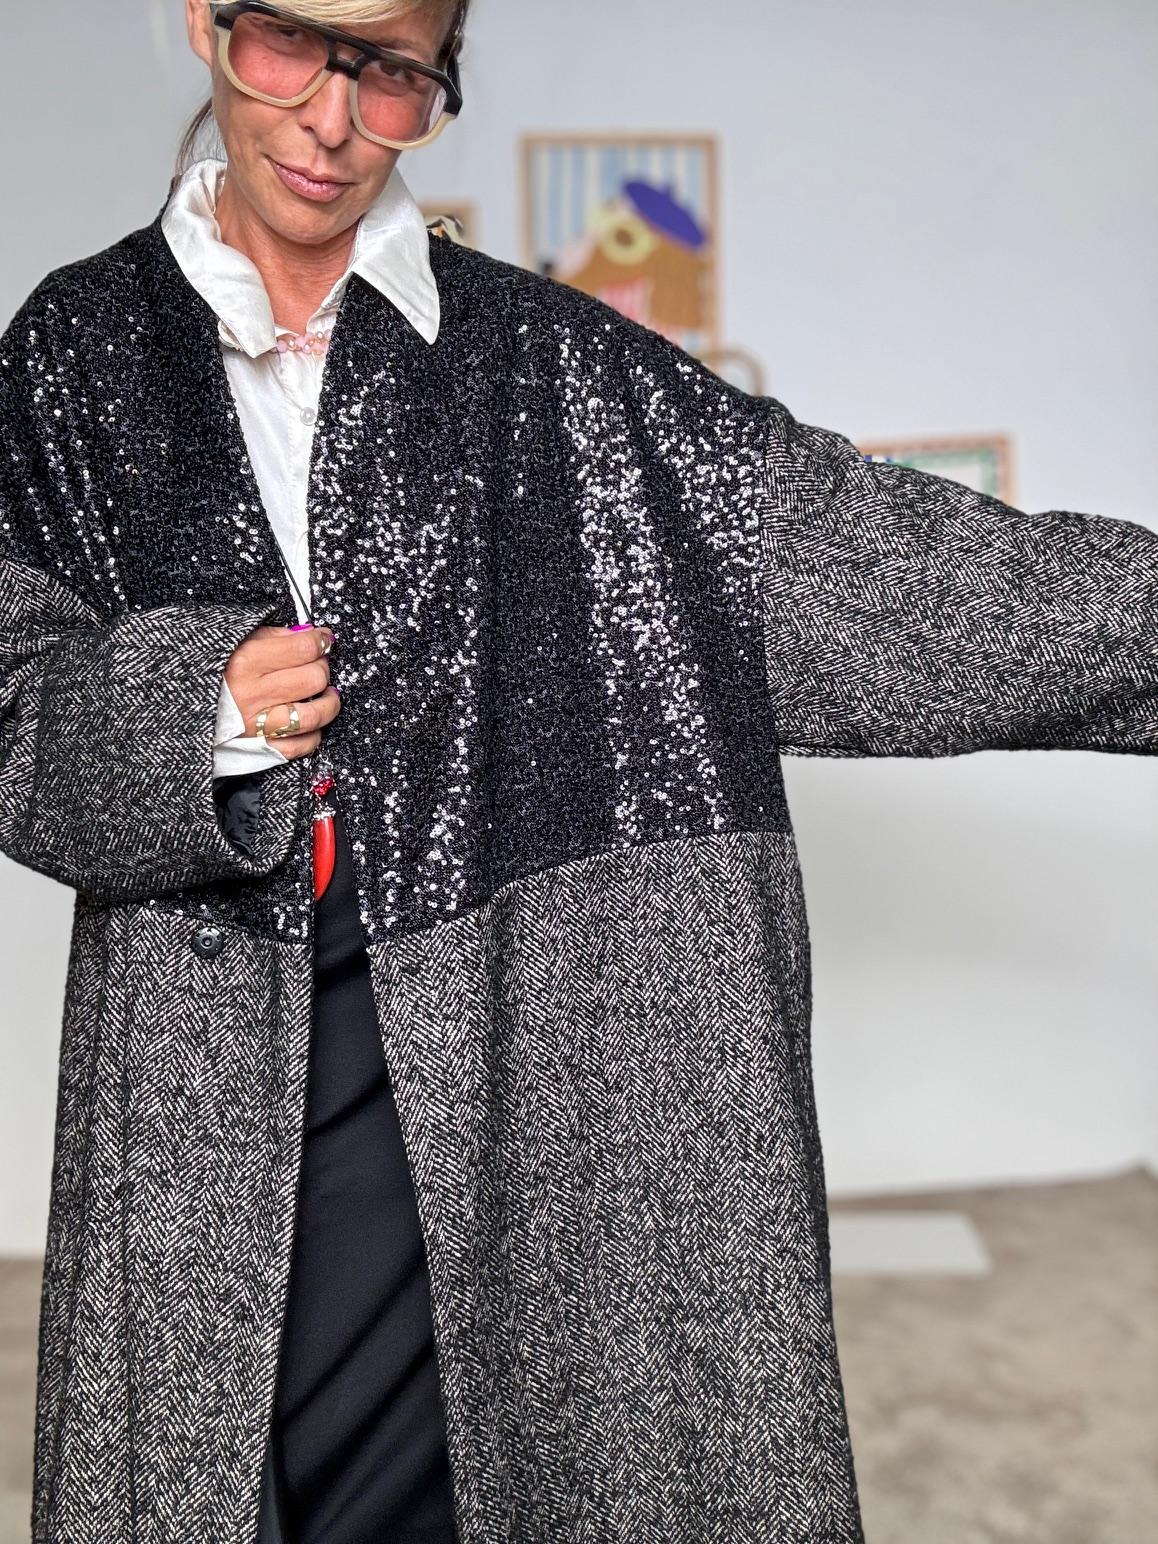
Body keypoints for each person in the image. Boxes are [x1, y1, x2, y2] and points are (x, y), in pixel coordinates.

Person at [2, 3, 1156, 1542]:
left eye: (393, 73)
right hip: (196, 1078)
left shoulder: (556, 367)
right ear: (207, 21)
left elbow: (910, 578)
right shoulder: (76, 355)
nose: (334, 119)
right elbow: (11, 696)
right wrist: (189, 707)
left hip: (539, 1057)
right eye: (290, 43)